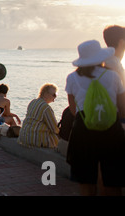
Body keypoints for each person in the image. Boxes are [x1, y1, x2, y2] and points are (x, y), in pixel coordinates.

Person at [65, 40, 125, 196]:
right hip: (111, 129)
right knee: (113, 180)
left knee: (86, 181)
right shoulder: (113, 76)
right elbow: (122, 107)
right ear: (100, 57)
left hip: (83, 128)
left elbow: (73, 109)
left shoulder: (72, 78)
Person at [18, 83, 59, 148]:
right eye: (54, 94)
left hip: (24, 137)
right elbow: (54, 129)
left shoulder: (33, 102)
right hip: (35, 139)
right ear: (45, 94)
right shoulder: (46, 108)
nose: (55, 97)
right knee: (58, 138)